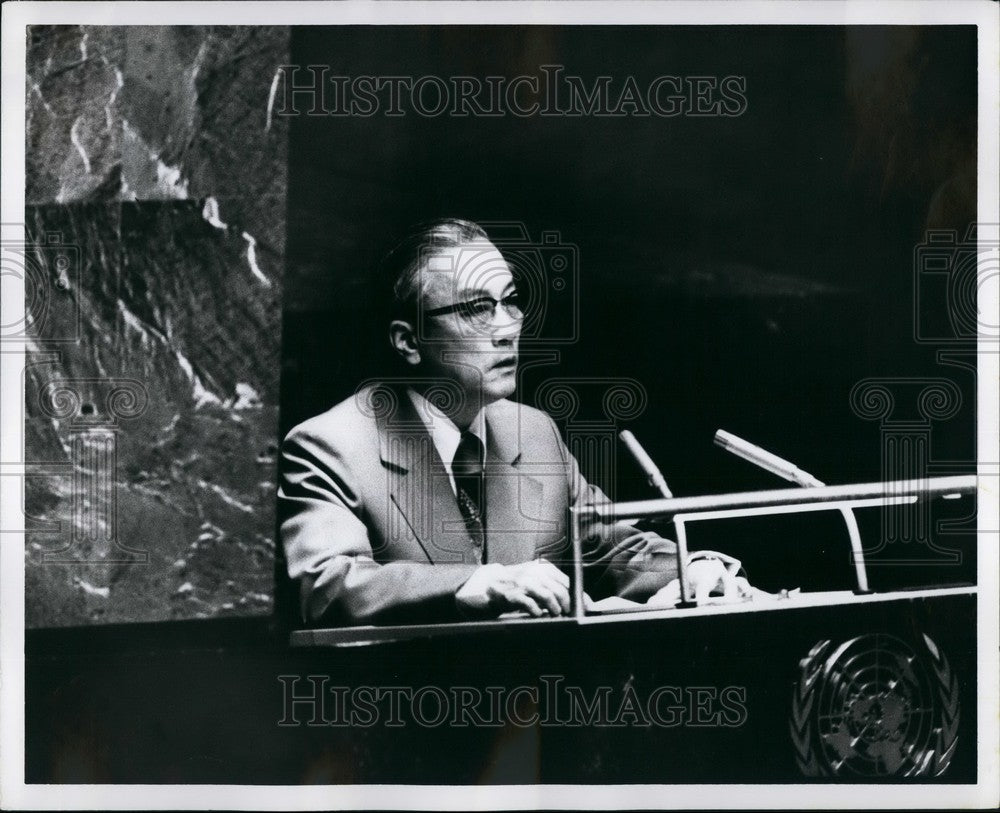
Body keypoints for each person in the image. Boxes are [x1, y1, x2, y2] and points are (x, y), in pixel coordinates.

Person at [278, 219, 726, 626]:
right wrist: (474, 583)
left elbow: (610, 547)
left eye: (510, 302)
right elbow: (327, 583)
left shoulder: (532, 432)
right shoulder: (331, 444)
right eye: (477, 308)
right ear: (408, 341)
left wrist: (694, 569)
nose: (508, 327)